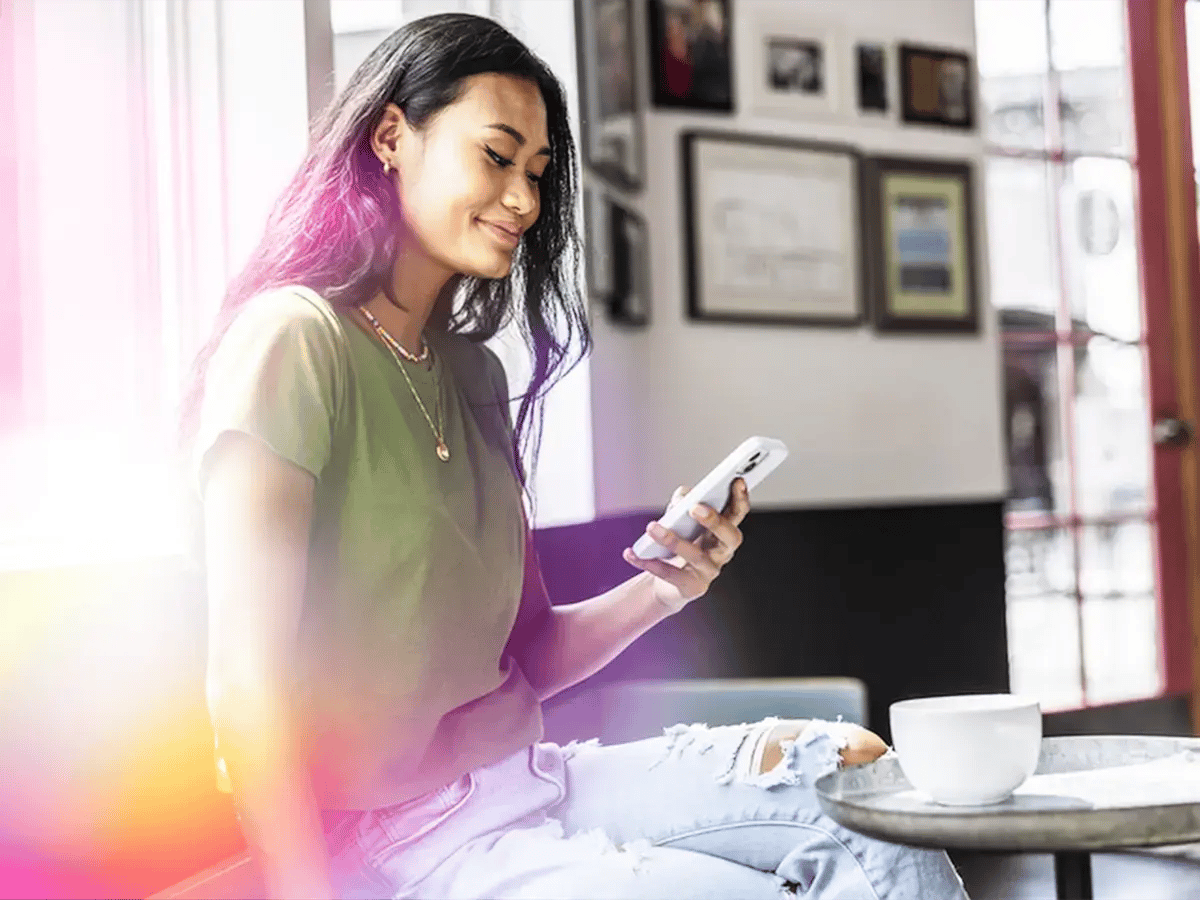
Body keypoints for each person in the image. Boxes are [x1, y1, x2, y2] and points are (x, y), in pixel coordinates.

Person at [179, 13, 970, 900]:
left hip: (533, 779)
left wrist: (667, 585)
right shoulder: (293, 340)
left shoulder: (472, 375)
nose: (522, 198)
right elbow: (244, 690)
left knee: (864, 782)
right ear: (393, 137)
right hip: (401, 842)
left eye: (538, 173)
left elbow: (529, 656)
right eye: (496, 155)